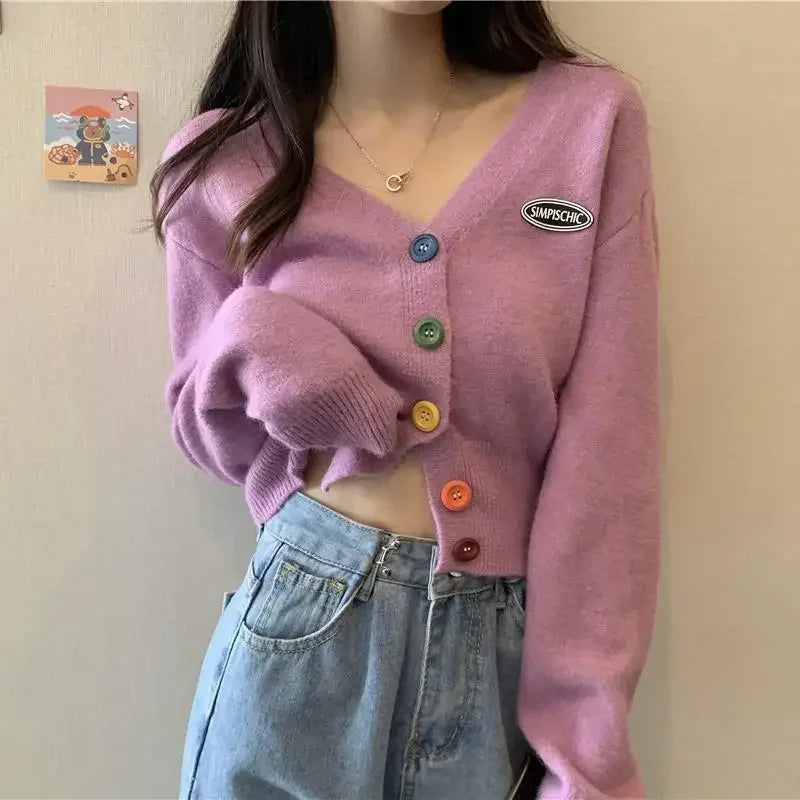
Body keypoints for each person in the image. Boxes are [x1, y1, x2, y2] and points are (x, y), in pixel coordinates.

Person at [152, 1, 660, 798]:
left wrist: (585, 753)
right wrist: (253, 338)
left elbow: (612, 456)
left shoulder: (590, 123)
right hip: (302, 629)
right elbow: (206, 431)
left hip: (497, 656)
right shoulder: (223, 161)